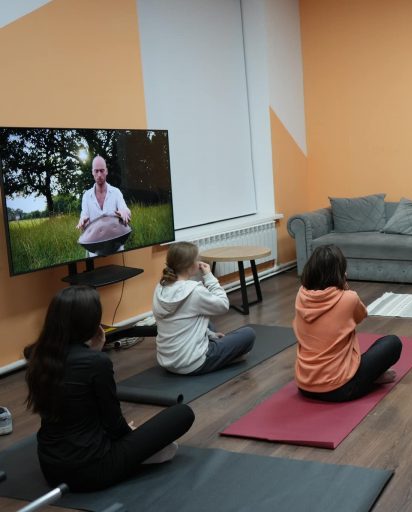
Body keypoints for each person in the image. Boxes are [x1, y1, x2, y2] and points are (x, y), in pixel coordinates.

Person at [24, 286, 194, 492]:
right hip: (93, 470)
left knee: (164, 449)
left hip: (51, 469)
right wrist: (132, 434)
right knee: (182, 415)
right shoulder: (97, 362)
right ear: (90, 324)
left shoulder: (37, 355)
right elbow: (114, 425)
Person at [294, 245, 402, 402]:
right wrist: (344, 287)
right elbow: (361, 315)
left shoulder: (301, 294)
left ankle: (367, 377)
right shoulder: (348, 298)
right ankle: (370, 379)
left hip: (305, 386)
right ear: (340, 272)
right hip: (339, 389)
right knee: (392, 343)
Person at [153, 241, 256, 375]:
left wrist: (210, 334)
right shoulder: (194, 291)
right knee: (248, 334)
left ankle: (213, 342)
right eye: (197, 259)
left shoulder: (160, 287)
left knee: (208, 324)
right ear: (190, 266)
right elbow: (224, 305)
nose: (199, 261)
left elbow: (184, 321)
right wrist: (209, 276)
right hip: (192, 363)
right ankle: (223, 359)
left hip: (167, 362)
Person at [76, 155, 132, 256]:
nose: (99, 174)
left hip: (116, 251)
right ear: (92, 172)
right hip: (95, 253)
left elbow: (125, 209)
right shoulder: (86, 196)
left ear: (106, 171)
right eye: (96, 171)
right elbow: (84, 215)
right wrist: (83, 221)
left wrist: (125, 212)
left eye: (102, 170)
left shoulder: (116, 192)